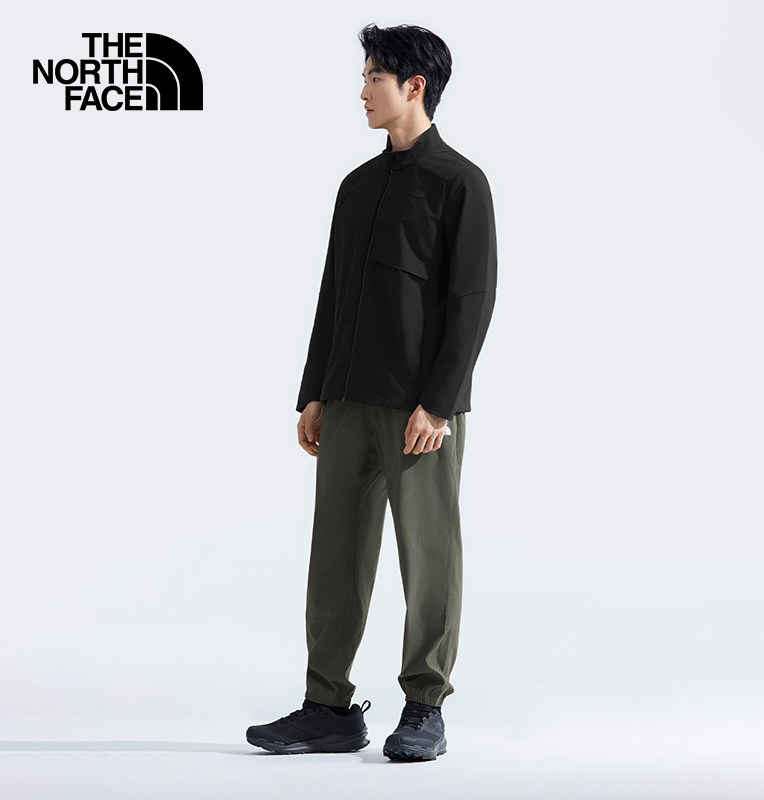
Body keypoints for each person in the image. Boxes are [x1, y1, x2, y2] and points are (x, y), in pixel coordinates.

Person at [246, 22, 497, 762]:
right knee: (335, 555)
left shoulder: (460, 183)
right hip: (349, 398)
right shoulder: (355, 188)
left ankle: (425, 707)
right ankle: (327, 707)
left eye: (373, 78)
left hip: (419, 407)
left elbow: (472, 301)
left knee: (429, 556)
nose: (361, 91)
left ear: (414, 86)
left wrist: (439, 402)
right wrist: (314, 392)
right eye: (364, 77)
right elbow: (333, 297)